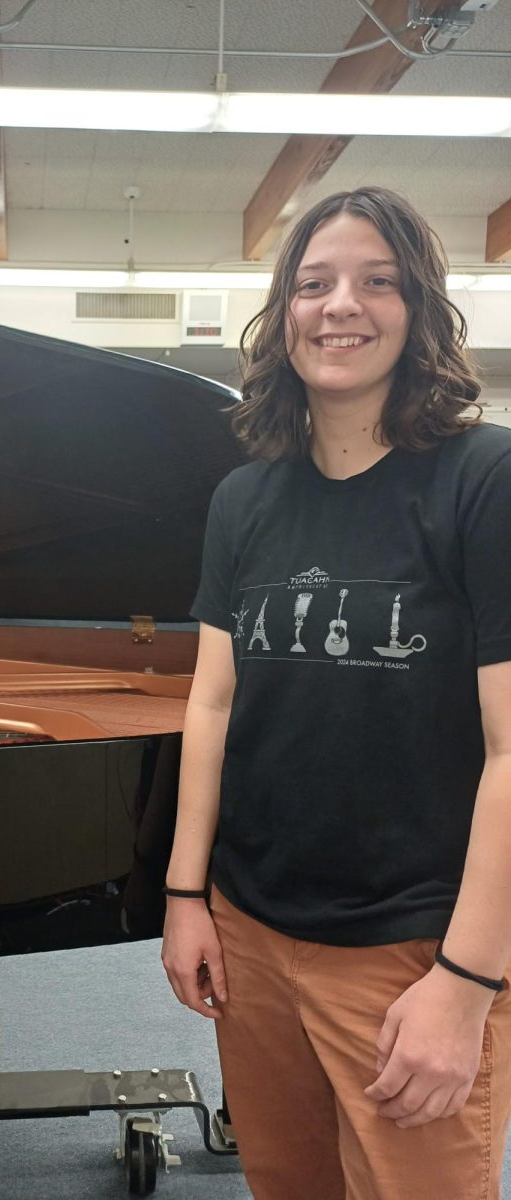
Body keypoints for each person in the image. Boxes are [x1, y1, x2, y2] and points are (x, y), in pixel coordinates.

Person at [162, 186, 511, 1199]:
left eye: (377, 282)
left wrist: (469, 981)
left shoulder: (482, 480)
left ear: (420, 311)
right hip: (255, 936)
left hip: (412, 949)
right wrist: (186, 896)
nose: (341, 305)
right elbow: (212, 704)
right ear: (284, 314)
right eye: (313, 283)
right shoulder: (243, 498)